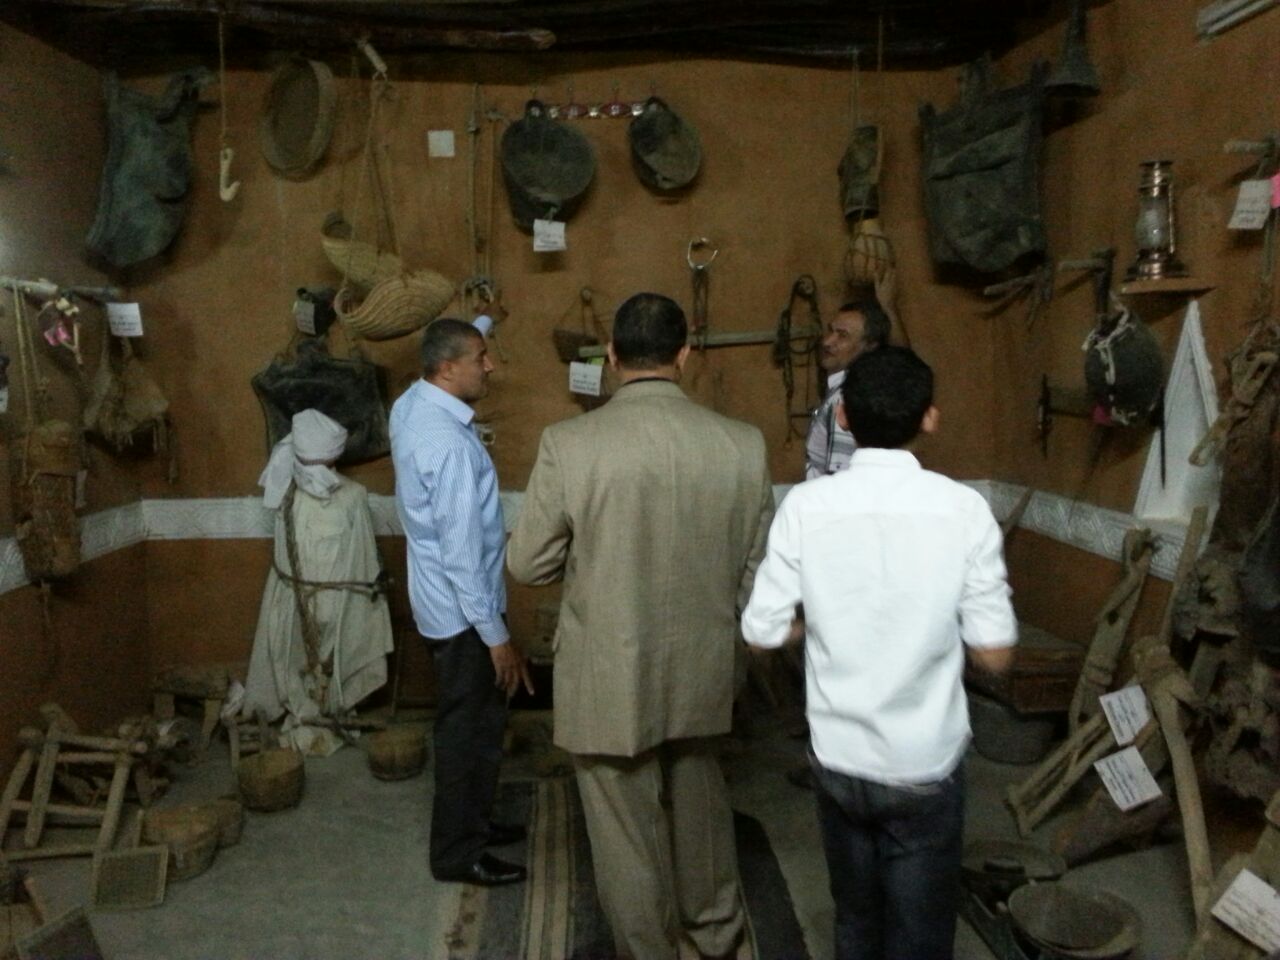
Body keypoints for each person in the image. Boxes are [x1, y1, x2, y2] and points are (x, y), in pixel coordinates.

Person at [508, 292, 774, 960]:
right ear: (684, 355)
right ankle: (716, 935)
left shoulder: (570, 444)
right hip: (704, 663)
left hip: (608, 669)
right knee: (701, 809)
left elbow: (528, 563)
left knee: (625, 835)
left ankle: (650, 951)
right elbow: (757, 571)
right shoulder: (742, 445)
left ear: (612, 355)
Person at [742, 346, 1017, 960]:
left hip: (838, 759)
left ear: (841, 416)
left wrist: (815, 625)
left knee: (856, 918)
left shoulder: (806, 507)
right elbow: (996, 655)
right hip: (923, 764)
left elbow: (761, 632)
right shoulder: (964, 510)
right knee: (919, 933)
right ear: (930, 419)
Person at [389, 317, 533, 888]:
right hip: (463, 612)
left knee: (473, 726)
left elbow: (451, 345)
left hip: (438, 603)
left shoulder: (411, 405)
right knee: (467, 736)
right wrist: (496, 636)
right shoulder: (448, 445)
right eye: (480, 356)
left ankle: (473, 823)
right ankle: (457, 854)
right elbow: (462, 555)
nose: (490, 365)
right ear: (447, 368)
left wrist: (479, 323)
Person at [243, 409, 394, 757]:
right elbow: (284, 555)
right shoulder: (286, 496)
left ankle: (333, 708)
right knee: (295, 657)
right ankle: (303, 711)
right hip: (296, 598)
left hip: (340, 599)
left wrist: (359, 598)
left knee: (336, 656)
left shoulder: (353, 495)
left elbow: (362, 555)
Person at [805, 296, 891, 479]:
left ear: (870, 346)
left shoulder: (846, 398)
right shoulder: (849, 390)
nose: (827, 341)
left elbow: (841, 477)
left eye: (842, 335)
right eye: (831, 330)